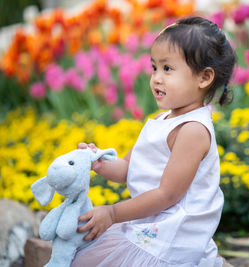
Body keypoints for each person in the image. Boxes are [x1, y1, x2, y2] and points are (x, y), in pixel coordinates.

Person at [71, 16, 236, 267]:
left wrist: (113, 214)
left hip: (171, 238)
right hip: (148, 225)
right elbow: (128, 168)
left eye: (167, 69)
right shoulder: (163, 119)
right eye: (154, 67)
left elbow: (167, 195)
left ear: (204, 78)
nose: (156, 78)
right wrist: (99, 163)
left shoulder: (193, 130)